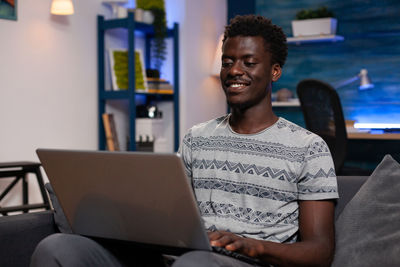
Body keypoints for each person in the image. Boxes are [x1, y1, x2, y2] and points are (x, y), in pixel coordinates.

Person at [31, 15, 338, 267]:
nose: (234, 70)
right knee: (58, 248)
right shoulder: (197, 138)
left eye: (248, 62)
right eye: (228, 61)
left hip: (248, 262)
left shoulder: (307, 148)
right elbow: (174, 217)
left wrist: (253, 246)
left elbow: (320, 252)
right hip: (182, 258)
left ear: (274, 71)